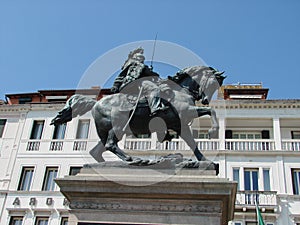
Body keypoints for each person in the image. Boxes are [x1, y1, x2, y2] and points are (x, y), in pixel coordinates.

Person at [111, 47, 168, 115]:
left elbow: (151, 74)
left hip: (141, 83)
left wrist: (151, 72)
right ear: (135, 58)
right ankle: (155, 108)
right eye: (140, 58)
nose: (141, 60)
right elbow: (121, 75)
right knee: (154, 89)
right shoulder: (134, 65)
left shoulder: (144, 67)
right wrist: (116, 85)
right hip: (135, 83)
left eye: (142, 59)